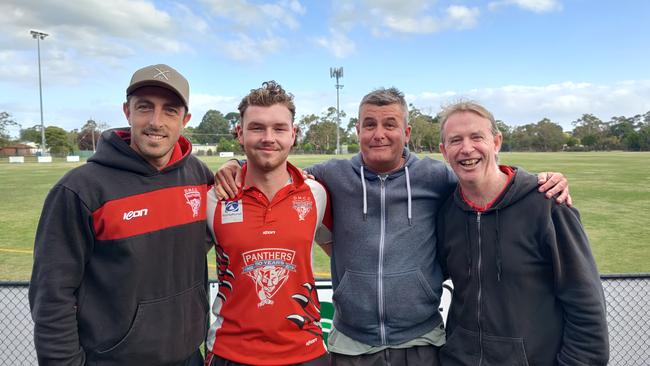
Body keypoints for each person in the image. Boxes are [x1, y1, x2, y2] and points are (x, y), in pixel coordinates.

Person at [214, 88, 570, 365]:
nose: (379, 134)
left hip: (422, 342)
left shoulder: (436, 177)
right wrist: (232, 164)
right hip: (352, 344)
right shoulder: (330, 177)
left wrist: (535, 181)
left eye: (389, 125)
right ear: (357, 130)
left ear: (407, 131)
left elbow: (485, 181)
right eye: (369, 124)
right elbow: (273, 166)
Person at [29, 64, 213, 366]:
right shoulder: (80, 190)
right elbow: (52, 296)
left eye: (169, 110)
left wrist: (234, 163)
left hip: (189, 357)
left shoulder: (198, 175)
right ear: (127, 111)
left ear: (185, 120)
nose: (156, 121)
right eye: (145, 108)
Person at [436, 101, 609, 365]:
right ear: (443, 151)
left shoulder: (547, 203)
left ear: (496, 142)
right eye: (455, 140)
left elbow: (586, 308)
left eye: (476, 137)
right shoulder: (446, 212)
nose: (466, 148)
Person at [204, 81, 332, 366]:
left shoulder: (316, 194)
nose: (268, 137)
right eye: (257, 127)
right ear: (240, 133)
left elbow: (341, 252)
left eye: (279, 128)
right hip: (230, 353)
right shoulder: (213, 198)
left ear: (293, 134)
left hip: (306, 350)